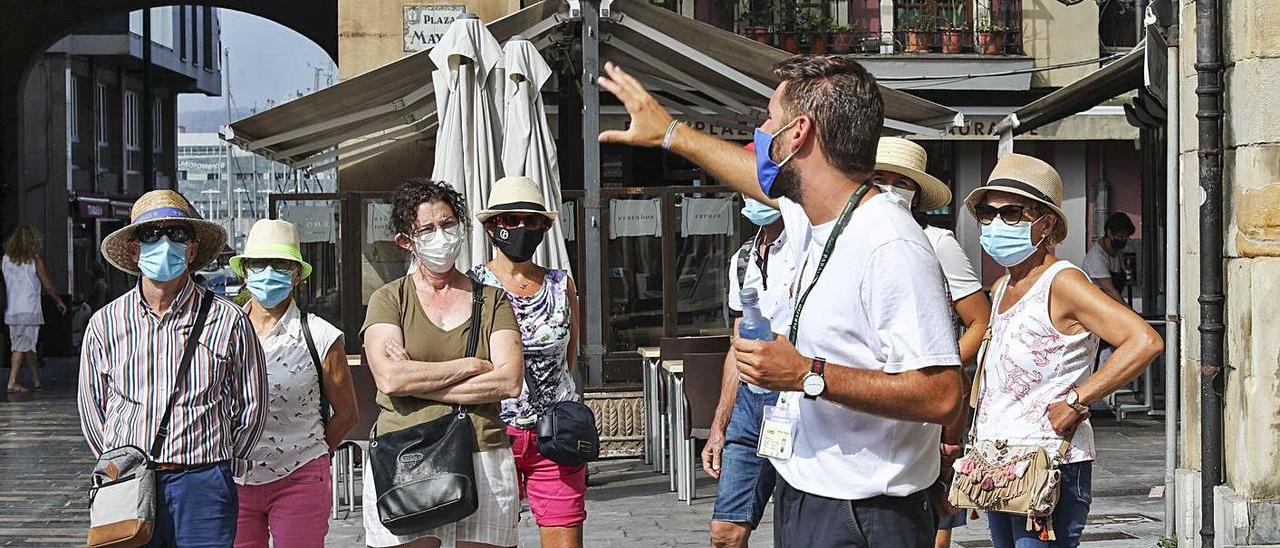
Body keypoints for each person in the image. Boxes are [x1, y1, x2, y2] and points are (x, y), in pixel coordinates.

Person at [600, 55, 964, 548]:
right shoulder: (815, 217)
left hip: (868, 515)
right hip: (809, 493)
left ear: (798, 133)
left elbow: (942, 395)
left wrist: (805, 374)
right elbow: (756, 176)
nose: (762, 130)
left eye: (769, 118)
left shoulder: (890, 245)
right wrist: (671, 134)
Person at [963, 154, 1163, 547]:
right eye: (988, 213)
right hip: (999, 462)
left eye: (1013, 213)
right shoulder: (1004, 285)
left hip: (1047, 463)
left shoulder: (1063, 281)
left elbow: (1144, 340)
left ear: (1047, 222)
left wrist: (1077, 398)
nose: (996, 224)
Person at [77, 189, 268, 546]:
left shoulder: (227, 319)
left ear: (192, 249)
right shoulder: (105, 323)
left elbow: (252, 402)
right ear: (134, 250)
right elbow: (92, 408)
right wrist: (117, 464)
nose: (164, 243)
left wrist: (227, 459)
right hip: (127, 482)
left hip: (203, 481)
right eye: (151, 235)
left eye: (177, 234)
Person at [362, 179, 524, 548]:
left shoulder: (492, 300)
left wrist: (417, 378)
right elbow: (390, 379)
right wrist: (470, 365)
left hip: (483, 451)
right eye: (428, 229)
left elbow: (510, 382)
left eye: (448, 224)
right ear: (407, 241)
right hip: (405, 456)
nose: (442, 236)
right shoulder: (389, 299)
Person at [867, 137, 992, 548]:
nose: (885, 188)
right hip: (866, 399)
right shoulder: (849, 243)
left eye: (896, 181)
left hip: (928, 405)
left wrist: (943, 369)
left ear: (915, 192)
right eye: (877, 178)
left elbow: (979, 320)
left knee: (934, 517)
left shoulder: (937, 243)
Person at [467, 176, 586, 548]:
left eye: (532, 221)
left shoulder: (561, 284)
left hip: (556, 432)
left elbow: (569, 355)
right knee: (490, 541)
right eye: (510, 219)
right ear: (491, 226)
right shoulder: (472, 287)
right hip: (490, 432)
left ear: (545, 227)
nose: (521, 228)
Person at [230, 219, 359, 547]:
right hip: (233, 479)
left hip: (300, 476)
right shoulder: (225, 332)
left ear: (297, 275)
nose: (269, 272)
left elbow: (347, 414)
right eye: (259, 263)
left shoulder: (321, 335)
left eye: (281, 264)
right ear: (245, 271)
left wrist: (314, 454)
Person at [702, 192, 793, 548]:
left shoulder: (807, 251)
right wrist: (718, 426)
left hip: (796, 403)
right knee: (724, 533)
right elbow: (737, 343)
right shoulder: (743, 259)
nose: (754, 200)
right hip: (750, 406)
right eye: (748, 192)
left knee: (798, 534)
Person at [3, 225, 67, 393]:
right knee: (21, 346)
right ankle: (12, 382)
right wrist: (58, 300)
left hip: (12, 311)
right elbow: (47, 284)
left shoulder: (5, 260)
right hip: (29, 309)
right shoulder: (34, 260)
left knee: (27, 345)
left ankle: (36, 379)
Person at [1082, 212, 1135, 304]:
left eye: (1126, 237)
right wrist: (1129, 311)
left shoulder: (1118, 251)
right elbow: (1109, 290)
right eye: (1121, 236)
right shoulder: (1096, 257)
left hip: (1110, 305)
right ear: (1109, 233)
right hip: (1094, 306)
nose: (1123, 240)